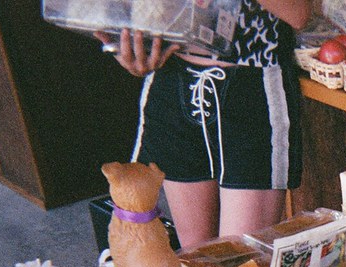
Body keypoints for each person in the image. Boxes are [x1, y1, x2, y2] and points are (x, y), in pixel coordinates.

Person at [97, 1, 312, 248]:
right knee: (196, 257)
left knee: (239, 261)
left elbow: (299, 13)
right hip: (171, 79)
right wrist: (128, 43)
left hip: (251, 86)